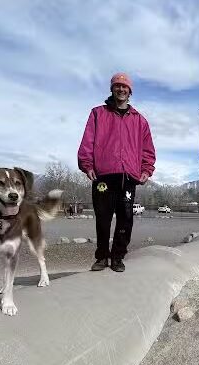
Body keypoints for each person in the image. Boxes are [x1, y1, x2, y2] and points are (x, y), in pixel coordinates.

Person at [77, 72, 156, 272]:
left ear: (130, 92)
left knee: (125, 218)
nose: (121, 89)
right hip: (103, 176)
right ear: (112, 89)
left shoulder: (140, 121)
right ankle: (102, 257)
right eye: (117, 86)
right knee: (103, 217)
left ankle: (118, 257)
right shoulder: (98, 113)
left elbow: (148, 149)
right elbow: (88, 141)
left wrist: (146, 169)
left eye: (125, 87)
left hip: (128, 176)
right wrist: (87, 165)